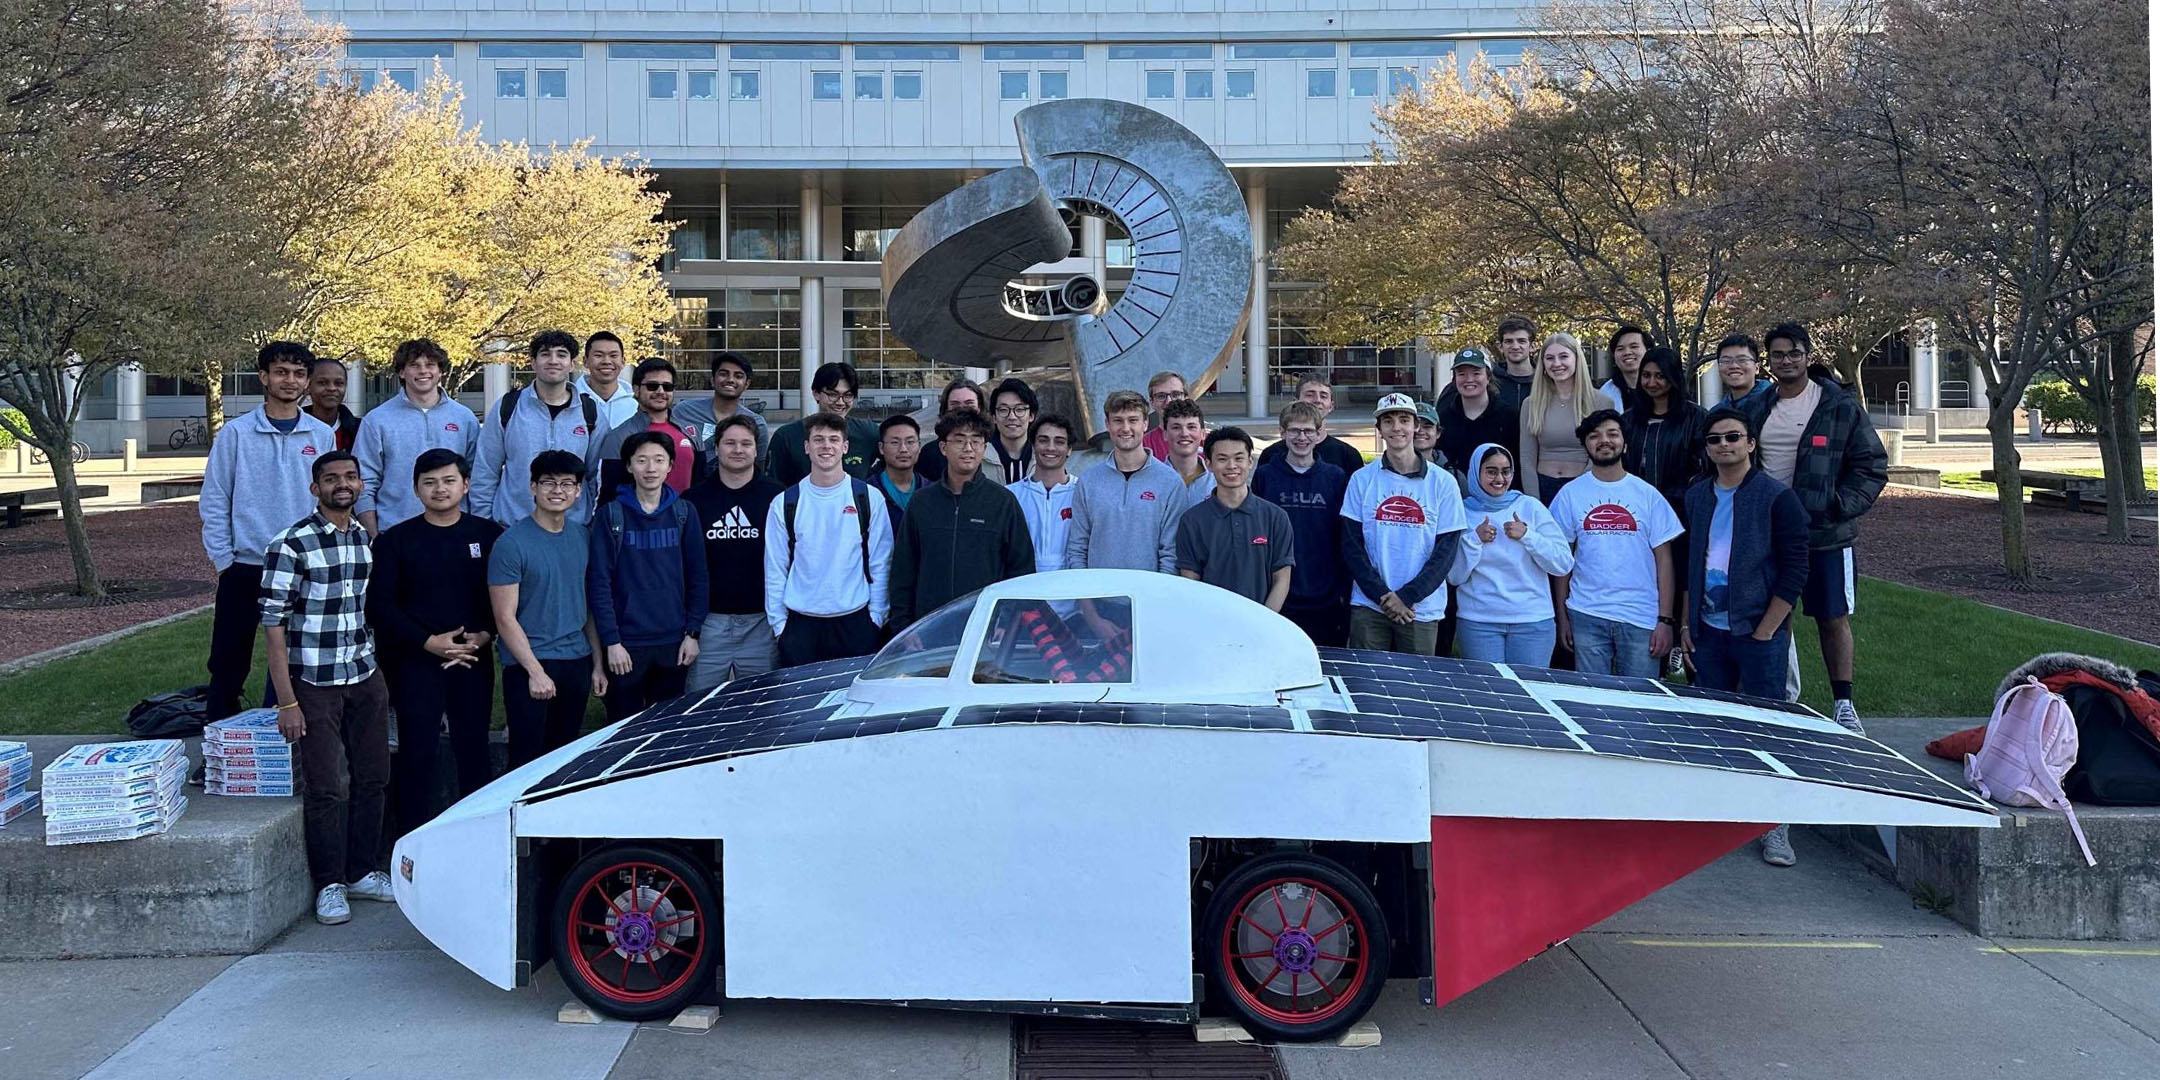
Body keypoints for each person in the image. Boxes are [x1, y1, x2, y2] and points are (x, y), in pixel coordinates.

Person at [257, 450, 391, 927]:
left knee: (374, 776)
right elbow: (272, 624)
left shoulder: (363, 538)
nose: (342, 484)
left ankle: (361, 871)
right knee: (324, 787)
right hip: (313, 681)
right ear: (315, 488)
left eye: (350, 477)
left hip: (363, 673)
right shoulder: (291, 543)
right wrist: (287, 700)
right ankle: (330, 883)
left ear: (360, 485)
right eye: (331, 478)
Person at [1741, 322, 1887, 733]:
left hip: (1826, 536)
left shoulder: (1837, 405)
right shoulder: (1758, 407)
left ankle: (1844, 704)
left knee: (1831, 617)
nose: (1785, 361)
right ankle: (1781, 698)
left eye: (1793, 353)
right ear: (1768, 362)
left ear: (1807, 355)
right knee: (1774, 617)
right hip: (1771, 534)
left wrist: (1840, 506)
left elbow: (1872, 465)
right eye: (1777, 355)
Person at [1683, 408, 1812, 868]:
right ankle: (1722, 818)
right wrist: (1685, 623)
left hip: (1759, 633)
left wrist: (1767, 628)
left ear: (1751, 443)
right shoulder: (1697, 497)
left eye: (1733, 437)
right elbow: (1689, 567)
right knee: (1713, 728)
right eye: (1714, 439)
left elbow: (1796, 566)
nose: (1724, 446)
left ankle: (1775, 824)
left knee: (1767, 730)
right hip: (1708, 632)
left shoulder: (1777, 498)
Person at [200, 341, 340, 721]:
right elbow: (214, 499)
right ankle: (221, 747)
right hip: (246, 565)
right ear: (263, 377)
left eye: (298, 374)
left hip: (302, 566)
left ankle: (278, 742)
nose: (289, 380)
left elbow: (327, 499)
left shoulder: (321, 435)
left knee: (294, 659)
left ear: (307, 381)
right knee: (229, 661)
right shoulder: (237, 434)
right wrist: (224, 561)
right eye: (280, 372)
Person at [367, 449, 502, 824]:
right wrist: (429, 643)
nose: (439, 489)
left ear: (465, 485)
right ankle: (410, 835)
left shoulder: (487, 535)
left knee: (473, 747)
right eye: (429, 482)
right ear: (415, 489)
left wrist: (485, 635)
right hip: (415, 661)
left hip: (473, 658)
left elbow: (503, 597)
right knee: (417, 750)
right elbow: (381, 607)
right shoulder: (395, 541)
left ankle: (477, 829)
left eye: (448, 481)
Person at [489, 450, 604, 769]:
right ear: (532, 487)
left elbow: (587, 606)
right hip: (530, 664)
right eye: (548, 482)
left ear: (579, 490)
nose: (558, 490)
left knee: (564, 760)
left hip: (576, 661)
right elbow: (504, 617)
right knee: (526, 762)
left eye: (568, 483)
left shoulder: (582, 536)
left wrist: (596, 664)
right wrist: (535, 671)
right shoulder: (511, 544)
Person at [1549, 410, 1683, 679]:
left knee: (1640, 706)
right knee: (1593, 705)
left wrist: (1665, 620)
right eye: (1594, 436)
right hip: (1585, 613)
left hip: (1640, 616)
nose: (1604, 441)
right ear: (1585, 445)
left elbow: (1665, 561)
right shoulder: (1569, 495)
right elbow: (1561, 560)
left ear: (1625, 442)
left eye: (1612, 434)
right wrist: (1562, 616)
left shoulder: (1647, 495)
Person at [589, 431, 708, 722]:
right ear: (629, 466)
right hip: (626, 645)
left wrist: (693, 633)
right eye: (641, 460)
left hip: (673, 642)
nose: (650, 468)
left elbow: (698, 576)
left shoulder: (683, 513)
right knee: (621, 730)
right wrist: (611, 642)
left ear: (670, 466)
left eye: (658, 460)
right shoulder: (611, 516)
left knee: (666, 731)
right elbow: (599, 583)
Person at [1340, 393, 1469, 654]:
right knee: (1368, 685)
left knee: (1416, 689)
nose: (1397, 427)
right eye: (1388, 421)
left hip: (1420, 609)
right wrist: (1383, 597)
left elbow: (1445, 552)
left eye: (1404, 420)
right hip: (1370, 605)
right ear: (1379, 429)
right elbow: (1351, 545)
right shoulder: (1361, 479)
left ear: (1416, 426)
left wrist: (1406, 597)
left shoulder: (1443, 483)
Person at [764, 412, 894, 663]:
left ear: (845, 447)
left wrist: (876, 617)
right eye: (818, 439)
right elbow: (775, 567)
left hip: (857, 623)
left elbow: (881, 561)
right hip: (800, 627)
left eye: (834, 439)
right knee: (800, 701)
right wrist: (780, 625)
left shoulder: (868, 498)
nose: (826, 446)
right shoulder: (785, 503)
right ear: (806, 447)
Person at [890, 409, 1034, 627]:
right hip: (928, 629)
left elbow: (1021, 571)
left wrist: (1007, 624)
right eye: (959, 440)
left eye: (976, 441)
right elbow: (903, 570)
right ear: (943, 448)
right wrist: (903, 626)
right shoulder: (921, 503)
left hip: (984, 628)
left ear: (984, 449)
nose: (968, 448)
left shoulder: (1003, 502)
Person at [683, 416, 785, 694]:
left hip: (761, 622)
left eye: (745, 443)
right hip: (709, 623)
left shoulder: (777, 498)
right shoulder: (693, 500)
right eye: (730, 443)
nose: (737, 449)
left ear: (756, 449)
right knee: (698, 708)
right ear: (717, 448)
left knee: (763, 707)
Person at [1448, 445, 1574, 666]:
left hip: (1532, 621)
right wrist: (1475, 540)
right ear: (1476, 472)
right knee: (1488, 696)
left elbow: (1563, 563)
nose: (1500, 478)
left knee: (1529, 695)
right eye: (1491, 471)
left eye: (1506, 471)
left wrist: (1528, 536)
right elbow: (1454, 576)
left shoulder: (1530, 506)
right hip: (1479, 622)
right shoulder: (1463, 511)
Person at [471, 329, 605, 527]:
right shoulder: (507, 408)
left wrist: (593, 524)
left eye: (561, 354)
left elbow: (597, 477)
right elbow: (485, 471)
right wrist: (483, 525)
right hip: (512, 526)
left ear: (572, 364)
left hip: (573, 529)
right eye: (545, 354)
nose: (553, 360)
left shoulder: (590, 412)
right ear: (533, 363)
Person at [354, 338, 481, 535]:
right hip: (395, 531)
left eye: (430, 365)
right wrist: (373, 536)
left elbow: (477, 478)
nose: (423, 371)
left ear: (441, 371)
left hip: (456, 532)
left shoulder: (464, 418)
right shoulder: (376, 420)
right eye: (414, 365)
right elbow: (364, 482)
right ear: (402, 372)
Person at [1253, 401, 1352, 646]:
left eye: (1308, 431)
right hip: (1280, 594)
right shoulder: (1266, 475)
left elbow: (1344, 536)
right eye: (1295, 431)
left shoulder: (1335, 477)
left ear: (1319, 434)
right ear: (1282, 433)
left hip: (1326, 595)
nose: (1301, 437)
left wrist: (1342, 587)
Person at [1621, 347, 1709, 618]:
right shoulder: (1629, 419)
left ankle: (1678, 640)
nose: (1652, 382)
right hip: (1636, 515)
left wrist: (1683, 497)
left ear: (1673, 377)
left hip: (1679, 514)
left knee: (1679, 578)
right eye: (1646, 375)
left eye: (1660, 375)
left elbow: (1705, 467)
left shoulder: (1695, 418)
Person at [1064, 389, 1187, 573]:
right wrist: (1086, 600)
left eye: (1133, 420)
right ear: (1107, 424)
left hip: (1148, 598)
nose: (1126, 428)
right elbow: (1077, 548)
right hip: (1098, 597)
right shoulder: (1088, 481)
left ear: (1145, 424)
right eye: (1118, 421)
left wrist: (1158, 598)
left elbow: (1171, 553)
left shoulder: (1170, 482)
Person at [1177, 428, 1295, 609]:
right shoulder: (1192, 521)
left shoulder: (1275, 517)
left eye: (1239, 458)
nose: (1231, 466)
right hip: (1212, 625)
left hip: (1263, 625)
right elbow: (1190, 583)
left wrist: (1263, 621)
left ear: (1250, 461)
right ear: (1209, 464)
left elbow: (1281, 578)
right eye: (1222, 459)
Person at [593, 357, 708, 497]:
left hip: (685, 516)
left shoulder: (691, 432)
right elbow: (608, 494)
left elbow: (702, 484)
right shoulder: (618, 437)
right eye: (652, 386)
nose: (660, 391)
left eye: (667, 386)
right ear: (636, 390)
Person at [1519, 331, 1603, 504]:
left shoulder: (1601, 401)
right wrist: (1534, 503)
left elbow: (1601, 453)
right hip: (1544, 487)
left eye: (1564, 356)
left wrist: (1581, 491)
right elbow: (1527, 458)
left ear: (1576, 359)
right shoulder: (1531, 404)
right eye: (1549, 358)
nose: (1556, 364)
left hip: (1583, 488)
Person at [766, 361, 881, 486]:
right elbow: (772, 485)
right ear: (816, 394)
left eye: (848, 395)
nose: (841, 402)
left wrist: (871, 482)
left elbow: (895, 461)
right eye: (833, 394)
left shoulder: (868, 432)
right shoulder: (786, 437)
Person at [673, 350, 769, 471]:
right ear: (713, 380)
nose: (730, 380)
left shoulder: (757, 424)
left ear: (746, 384)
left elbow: (759, 467)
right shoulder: (684, 412)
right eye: (724, 374)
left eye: (738, 376)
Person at [1435, 347, 1521, 478]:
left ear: (1488, 378)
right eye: (1462, 374)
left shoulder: (1510, 417)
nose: (1469, 379)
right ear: (1455, 380)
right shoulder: (1443, 418)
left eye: (1476, 373)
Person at [1257, 375, 1368, 475]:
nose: (1317, 400)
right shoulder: (1271, 455)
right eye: (1310, 395)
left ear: (1331, 406)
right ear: (1296, 401)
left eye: (1323, 396)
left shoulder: (1348, 456)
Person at [1013, 414, 1079, 577]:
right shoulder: (1011, 495)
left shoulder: (1083, 493)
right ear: (1033, 445)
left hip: (1072, 591)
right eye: (1043, 440)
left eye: (1059, 442)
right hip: (1023, 590)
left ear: (1069, 449)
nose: (1051, 448)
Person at [912, 377, 986, 483]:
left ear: (980, 408)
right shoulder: (929, 453)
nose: (962, 410)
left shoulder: (996, 447)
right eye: (955, 405)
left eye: (969, 404)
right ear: (945, 409)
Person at [574, 330, 638, 430]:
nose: (606, 361)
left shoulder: (636, 404)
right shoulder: (570, 401)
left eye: (613, 356)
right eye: (598, 355)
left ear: (623, 362)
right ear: (585, 361)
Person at [869, 415, 928, 520]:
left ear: (919, 446)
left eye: (910, 442)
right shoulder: (867, 491)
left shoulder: (931, 492)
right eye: (895, 443)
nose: (903, 449)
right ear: (881, 448)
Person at [1161, 397, 1216, 507]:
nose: (1184, 433)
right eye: (1176, 427)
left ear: (1203, 434)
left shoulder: (1217, 479)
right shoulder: (1152, 479)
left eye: (1191, 427)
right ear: (1165, 434)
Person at [985, 377, 1038, 484]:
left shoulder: (1043, 456)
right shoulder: (979, 456)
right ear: (994, 417)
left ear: (1031, 415)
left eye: (1019, 409)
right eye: (1003, 410)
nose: (1012, 417)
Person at [304, 357, 361, 452]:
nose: (331, 388)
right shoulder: (295, 428)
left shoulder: (360, 430)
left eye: (339, 383)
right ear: (308, 386)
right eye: (322, 383)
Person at [1489, 314, 1539, 412]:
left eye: (1521, 341)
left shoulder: (1545, 380)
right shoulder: (1490, 381)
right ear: (1501, 347)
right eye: (1509, 341)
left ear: (1532, 346)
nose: (1515, 346)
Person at [1601, 325, 1653, 412]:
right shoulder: (1604, 395)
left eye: (1634, 347)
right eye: (1620, 349)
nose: (1627, 353)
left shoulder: (1664, 388)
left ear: (1648, 350)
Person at [1713, 333, 1773, 407]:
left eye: (1742, 360)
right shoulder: (1717, 412)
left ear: (1757, 367)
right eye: (1726, 361)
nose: (1734, 366)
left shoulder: (1774, 403)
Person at [1141, 371, 1188, 461]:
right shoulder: (1144, 445)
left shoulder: (1206, 441)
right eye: (1161, 396)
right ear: (1152, 402)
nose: (1169, 401)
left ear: (1186, 398)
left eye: (1176, 394)